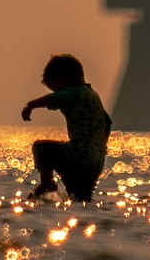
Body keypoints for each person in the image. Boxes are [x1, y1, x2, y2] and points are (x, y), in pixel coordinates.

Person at [20, 54, 112, 202]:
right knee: (80, 199)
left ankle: (47, 182)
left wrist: (30, 106)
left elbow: (54, 99)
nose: (56, 92)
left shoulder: (75, 92)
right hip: (96, 162)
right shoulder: (93, 96)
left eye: (56, 88)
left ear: (64, 78)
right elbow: (107, 123)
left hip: (78, 154)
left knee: (42, 147)